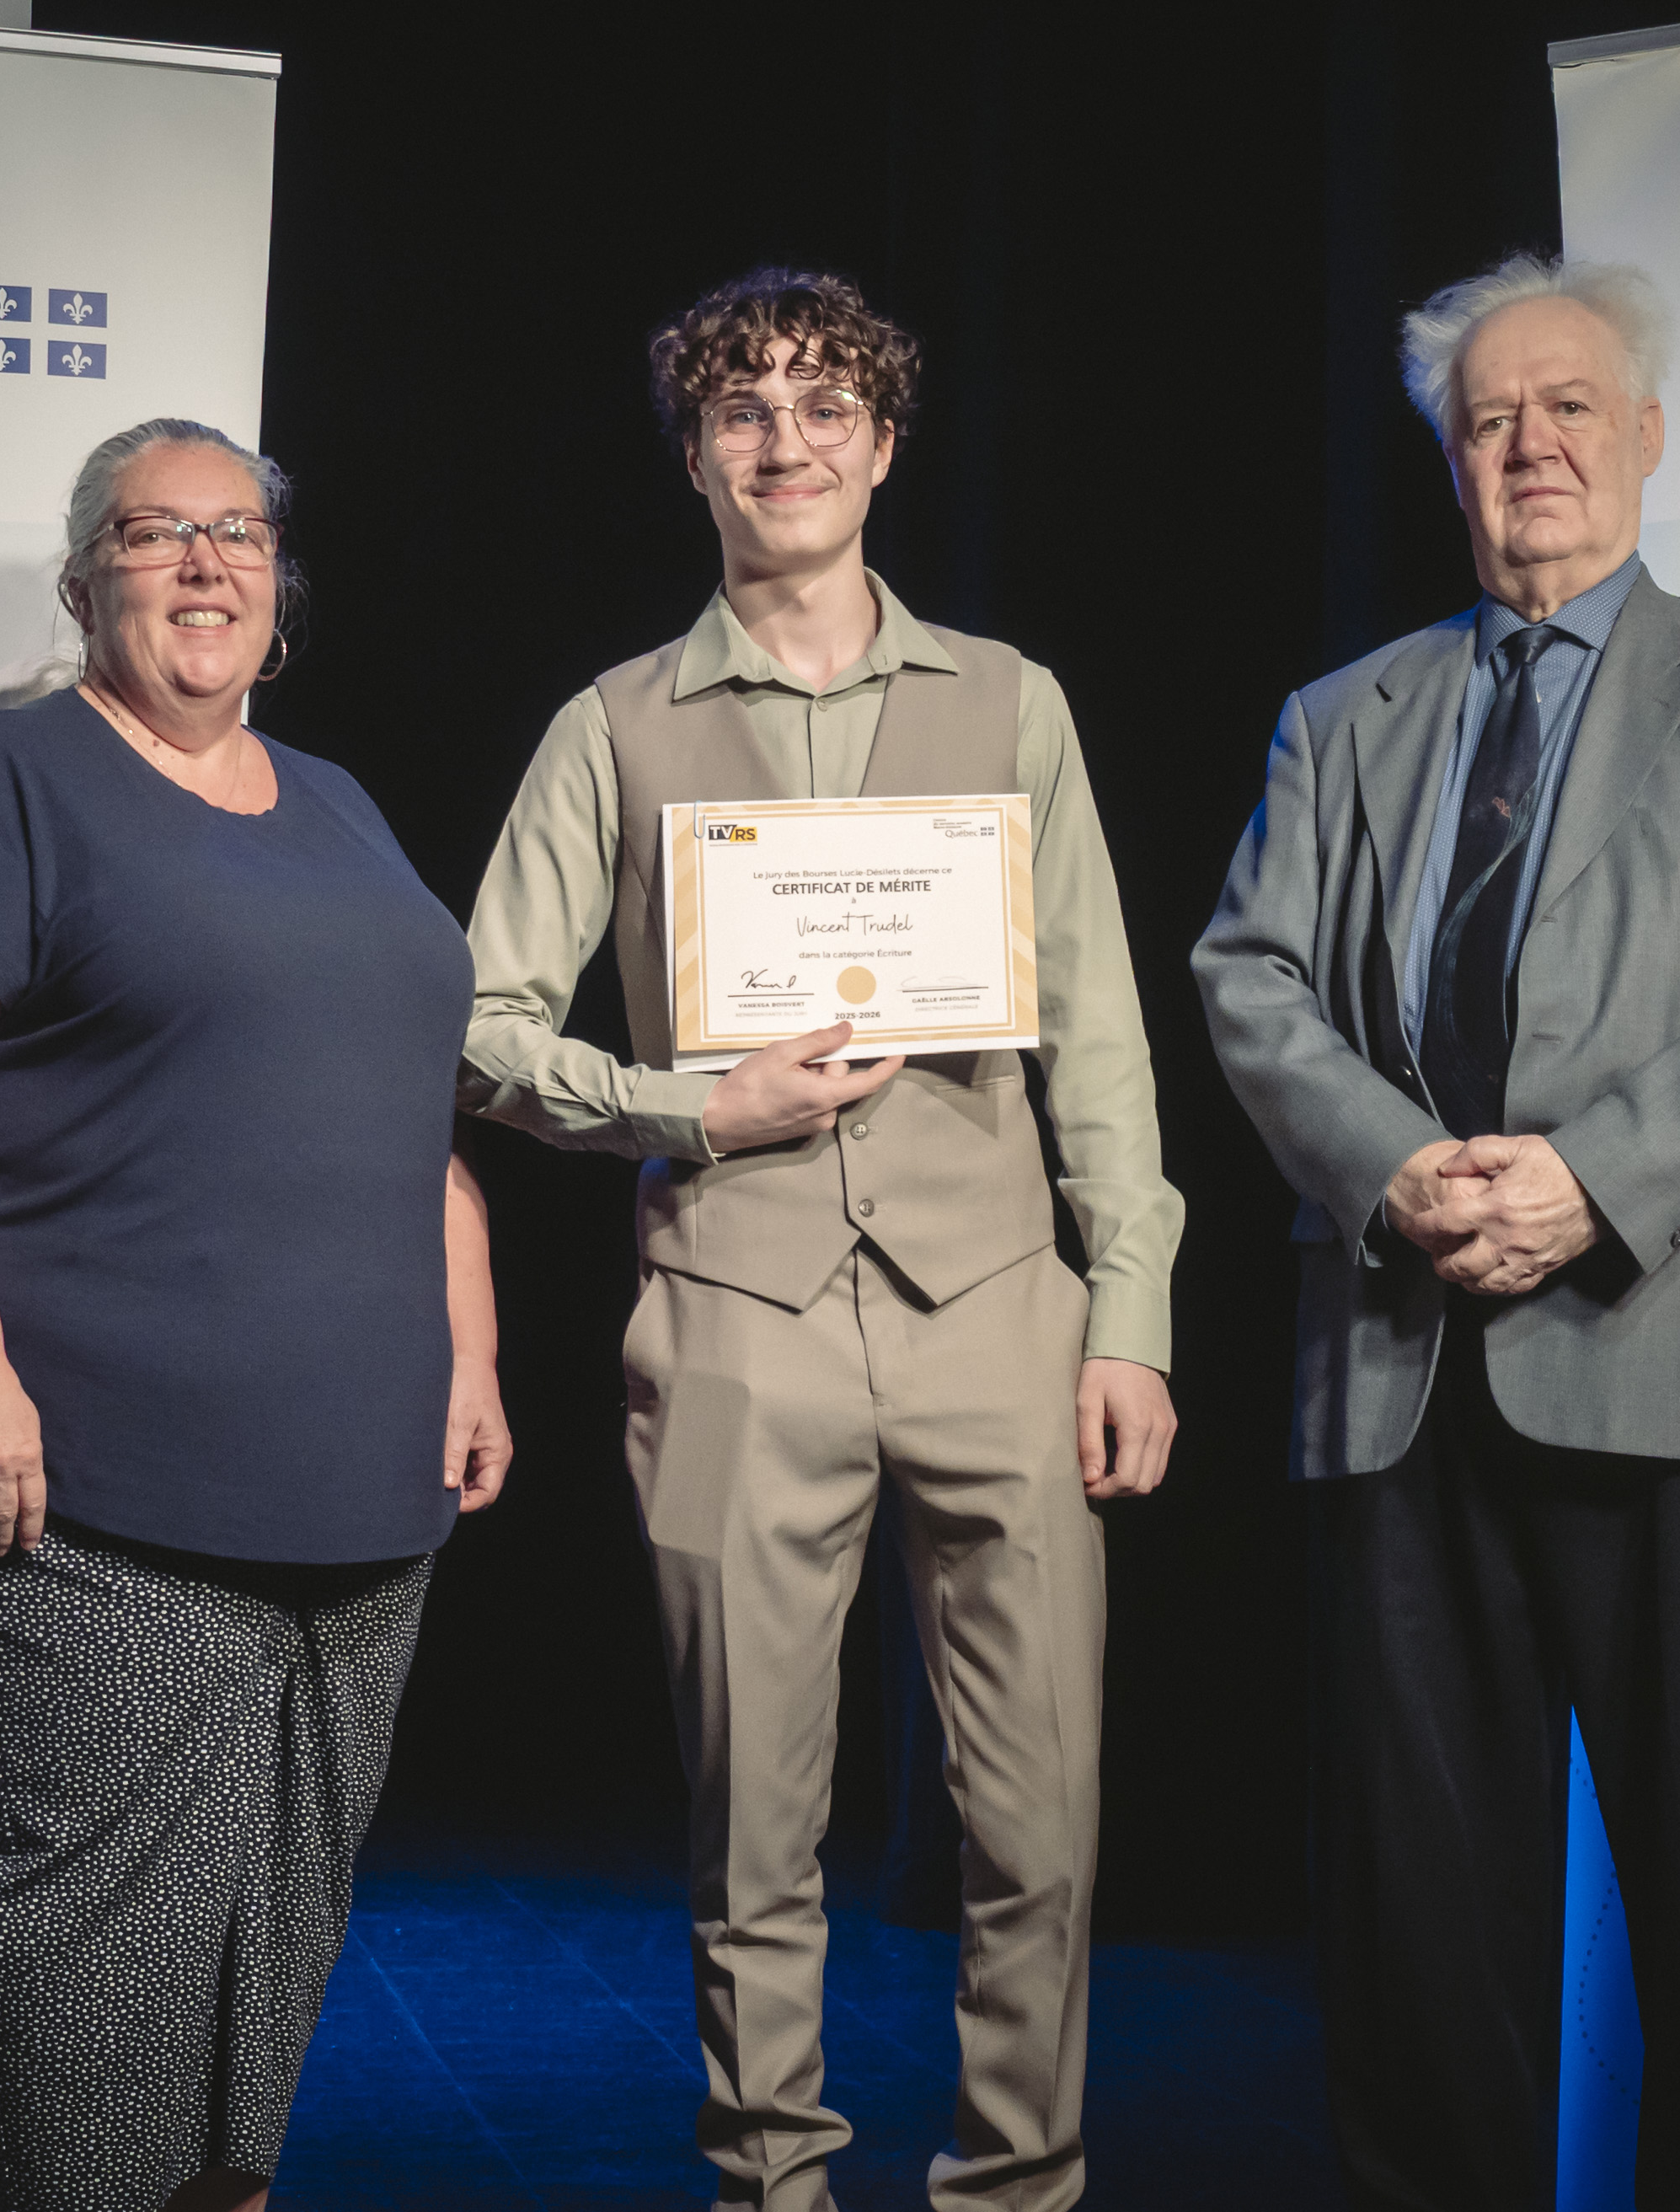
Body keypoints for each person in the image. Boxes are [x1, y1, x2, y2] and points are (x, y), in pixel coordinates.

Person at [458, 267, 1182, 2212]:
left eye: (824, 406)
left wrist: (1130, 1311)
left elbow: (1100, 1031)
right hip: (730, 1315)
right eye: (744, 409)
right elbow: (477, 1026)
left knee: (1038, 1815)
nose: (785, 440)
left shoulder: (1010, 699)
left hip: (999, 1310)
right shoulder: (613, 723)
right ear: (694, 456)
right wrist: (689, 1104)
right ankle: (770, 2184)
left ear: (884, 443)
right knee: (748, 1822)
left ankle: (1018, 2183)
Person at [1192, 255, 1680, 2210]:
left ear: (1644, 435)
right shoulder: (1340, 715)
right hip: (1401, 1374)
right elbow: (1250, 973)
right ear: (1449, 461)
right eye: (1489, 417)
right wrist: (1392, 1165)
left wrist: (1588, 1179)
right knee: (1418, 1940)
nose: (1530, 445)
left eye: (1568, 404)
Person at [0, 417, 511, 2212]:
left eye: (239, 534)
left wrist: (472, 1349)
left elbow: (410, 1109)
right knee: (108, 1999)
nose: (205, 562)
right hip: (96, 1503)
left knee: (261, 2001)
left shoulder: (338, 804)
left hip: (359, 1506)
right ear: (83, 583)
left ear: (280, 586)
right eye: (154, 532)